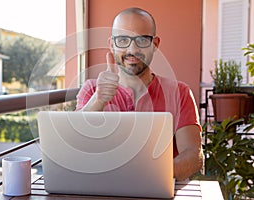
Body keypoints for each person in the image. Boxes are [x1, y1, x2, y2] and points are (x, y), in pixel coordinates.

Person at [76, 7, 203, 181]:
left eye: (142, 40)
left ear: (155, 44)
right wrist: (98, 100)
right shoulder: (91, 90)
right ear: (112, 44)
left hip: (160, 188)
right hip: (103, 191)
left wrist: (147, 176)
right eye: (122, 40)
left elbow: (194, 156)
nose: (132, 49)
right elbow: (75, 145)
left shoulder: (179, 92)